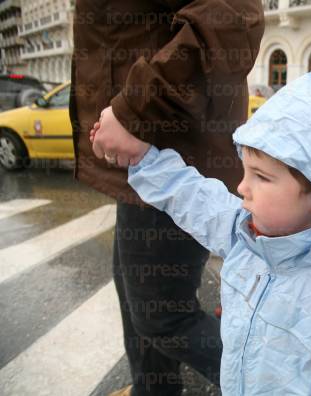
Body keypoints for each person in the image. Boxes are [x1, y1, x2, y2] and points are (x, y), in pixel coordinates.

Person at [90, 71, 311, 395]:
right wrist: (142, 157)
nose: (243, 186)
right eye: (246, 171)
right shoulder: (246, 236)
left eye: (262, 177)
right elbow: (194, 197)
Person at [68, 2, 265, 395]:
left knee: (165, 315)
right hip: (144, 160)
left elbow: (232, 14)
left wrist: (136, 110)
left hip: (173, 162)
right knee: (137, 300)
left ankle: (283, 386)